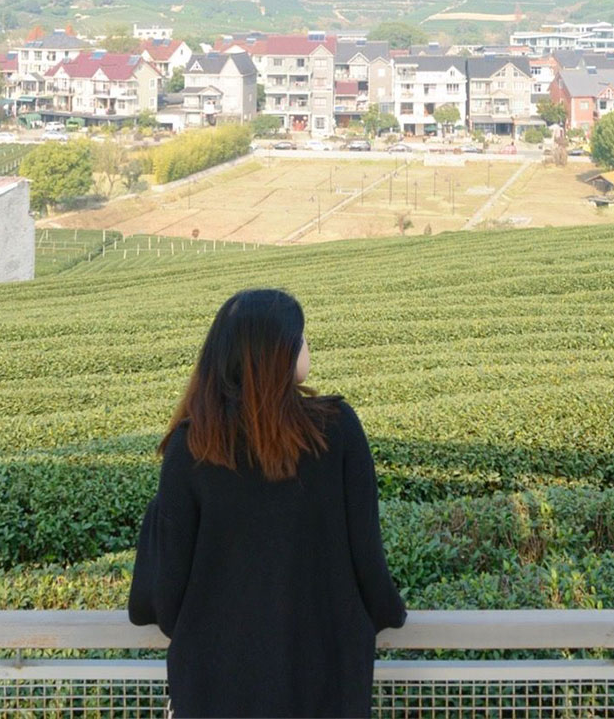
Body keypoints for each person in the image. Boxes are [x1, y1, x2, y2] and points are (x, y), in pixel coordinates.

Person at [128, 288, 407, 718]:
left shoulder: (193, 445)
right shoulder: (338, 431)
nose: (307, 346)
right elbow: (367, 557)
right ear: (276, 353)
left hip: (215, 690)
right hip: (323, 682)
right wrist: (384, 615)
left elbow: (167, 599)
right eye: (300, 338)